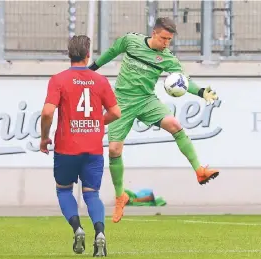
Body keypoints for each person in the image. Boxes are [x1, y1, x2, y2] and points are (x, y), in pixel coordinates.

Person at [88, 17, 220, 223]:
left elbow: (185, 82)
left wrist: (202, 92)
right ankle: (120, 195)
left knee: (175, 125)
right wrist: (90, 70)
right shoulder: (131, 41)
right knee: (114, 150)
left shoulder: (167, 58)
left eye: (170, 40)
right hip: (121, 101)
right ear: (154, 33)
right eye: (164, 38)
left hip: (146, 100)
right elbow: (112, 52)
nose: (167, 43)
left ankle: (200, 171)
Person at [40, 35, 121, 257]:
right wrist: (95, 123)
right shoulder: (100, 81)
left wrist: (44, 137)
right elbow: (115, 112)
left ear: (69, 54)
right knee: (92, 194)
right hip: (93, 148)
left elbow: (47, 112)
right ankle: (100, 234)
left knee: (64, 190)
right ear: (88, 55)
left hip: (66, 147)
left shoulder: (58, 79)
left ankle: (77, 228)